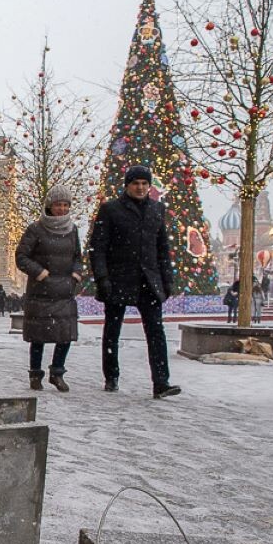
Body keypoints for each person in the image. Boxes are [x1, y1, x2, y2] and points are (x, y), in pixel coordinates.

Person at [90, 165, 181, 398]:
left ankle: (161, 381)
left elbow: (162, 249)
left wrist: (167, 280)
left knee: (156, 332)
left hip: (148, 281)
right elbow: (98, 248)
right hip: (118, 278)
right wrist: (102, 278)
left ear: (149, 186)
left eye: (144, 183)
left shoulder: (157, 210)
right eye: (135, 183)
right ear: (127, 186)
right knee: (112, 330)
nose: (140, 187)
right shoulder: (110, 210)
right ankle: (111, 375)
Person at [15, 184, 83, 392]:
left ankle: (57, 372)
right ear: (49, 206)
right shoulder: (36, 229)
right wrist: (40, 272)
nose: (62, 209)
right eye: (57, 205)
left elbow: (77, 257)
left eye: (65, 205)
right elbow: (21, 257)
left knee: (66, 334)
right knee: (38, 336)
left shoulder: (72, 230)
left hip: (64, 290)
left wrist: (76, 274)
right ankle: (35, 375)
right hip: (41, 292)